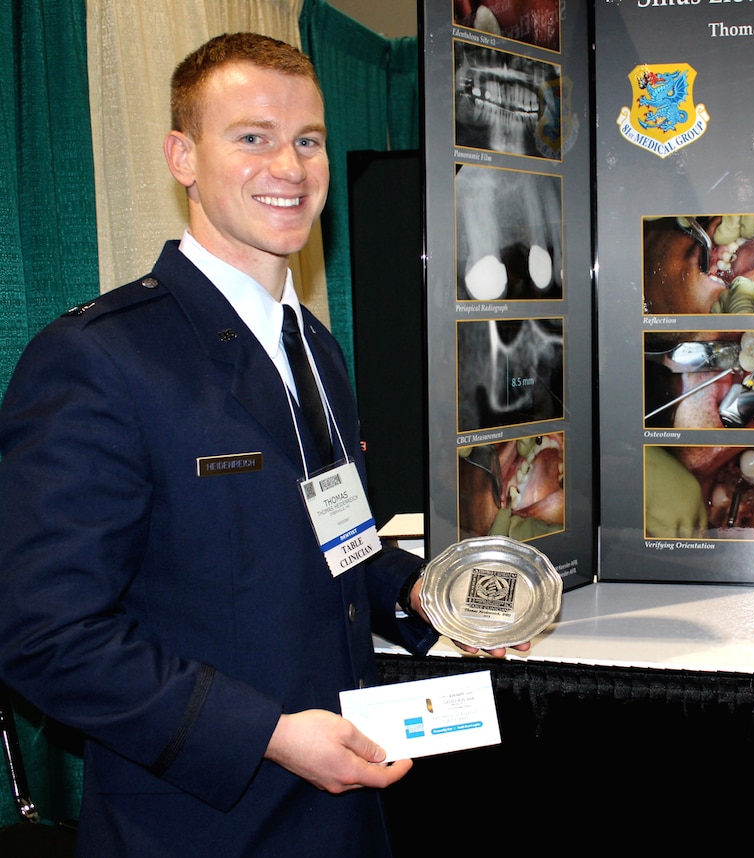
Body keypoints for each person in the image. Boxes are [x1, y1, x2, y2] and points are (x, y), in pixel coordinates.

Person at [0, 32, 524, 855]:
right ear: (183, 156)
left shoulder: (314, 345)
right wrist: (269, 735)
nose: (290, 166)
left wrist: (424, 595)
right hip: (201, 820)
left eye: (307, 140)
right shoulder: (97, 359)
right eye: (252, 137)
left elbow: (330, 533)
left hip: (347, 800)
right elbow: (44, 636)